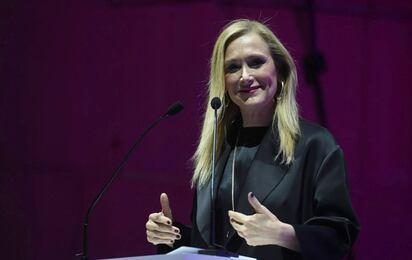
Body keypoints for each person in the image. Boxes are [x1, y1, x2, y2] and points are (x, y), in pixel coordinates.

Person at [145, 19, 359, 260]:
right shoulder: (216, 149)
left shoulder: (315, 144)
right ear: (222, 81)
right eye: (233, 67)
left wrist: (283, 234)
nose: (245, 76)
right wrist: (171, 235)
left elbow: (340, 238)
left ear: (279, 70)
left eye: (256, 63)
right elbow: (215, 246)